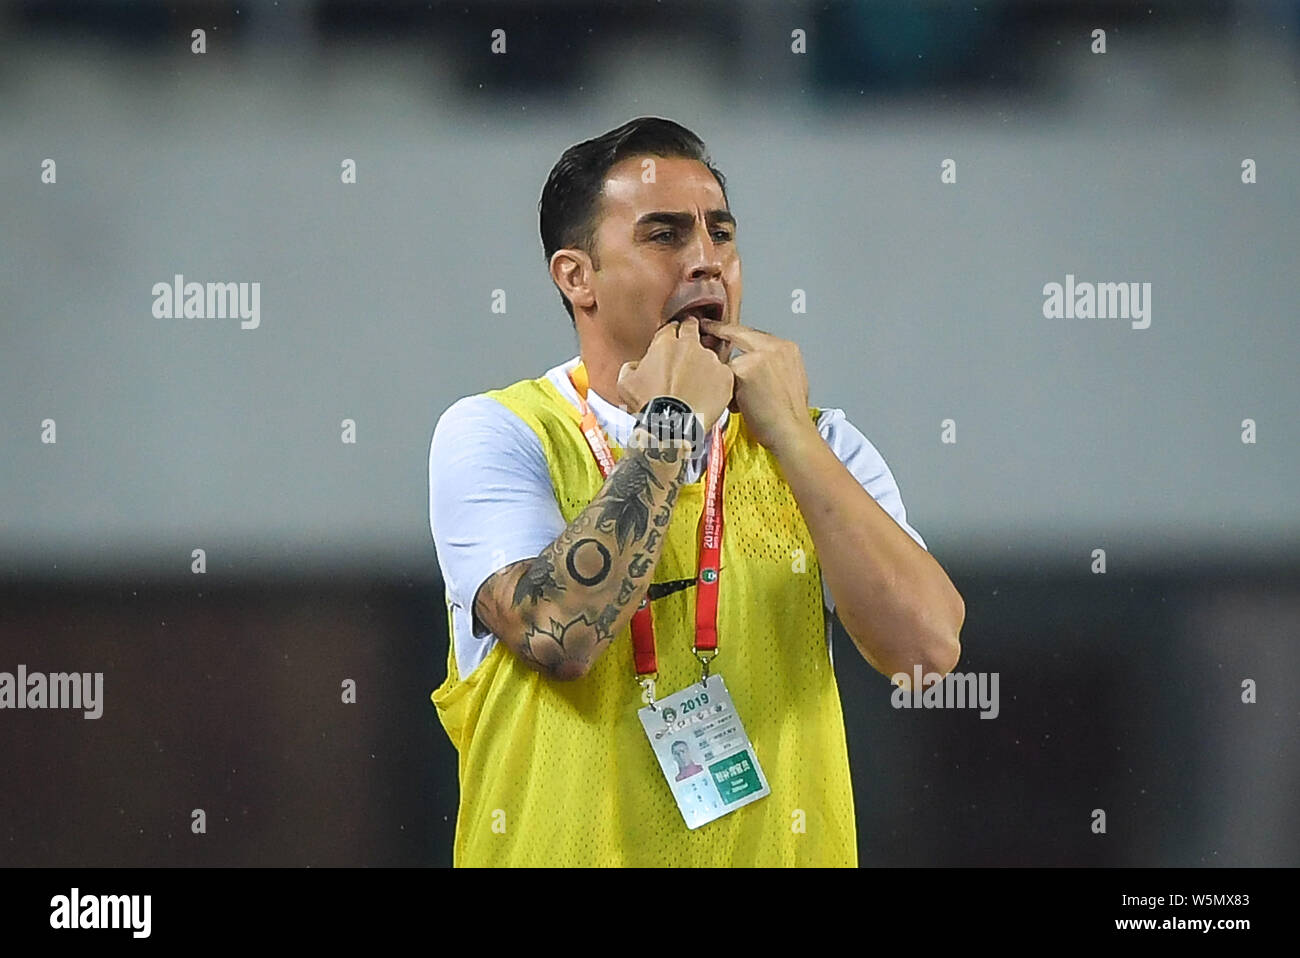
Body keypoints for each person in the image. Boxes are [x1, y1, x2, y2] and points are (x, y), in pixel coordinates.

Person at [429, 116, 965, 867]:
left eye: (722, 234)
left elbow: (928, 651)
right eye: (664, 235)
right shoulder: (498, 434)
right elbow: (561, 632)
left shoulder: (820, 446)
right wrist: (673, 426)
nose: (707, 262)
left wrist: (795, 441)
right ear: (576, 276)